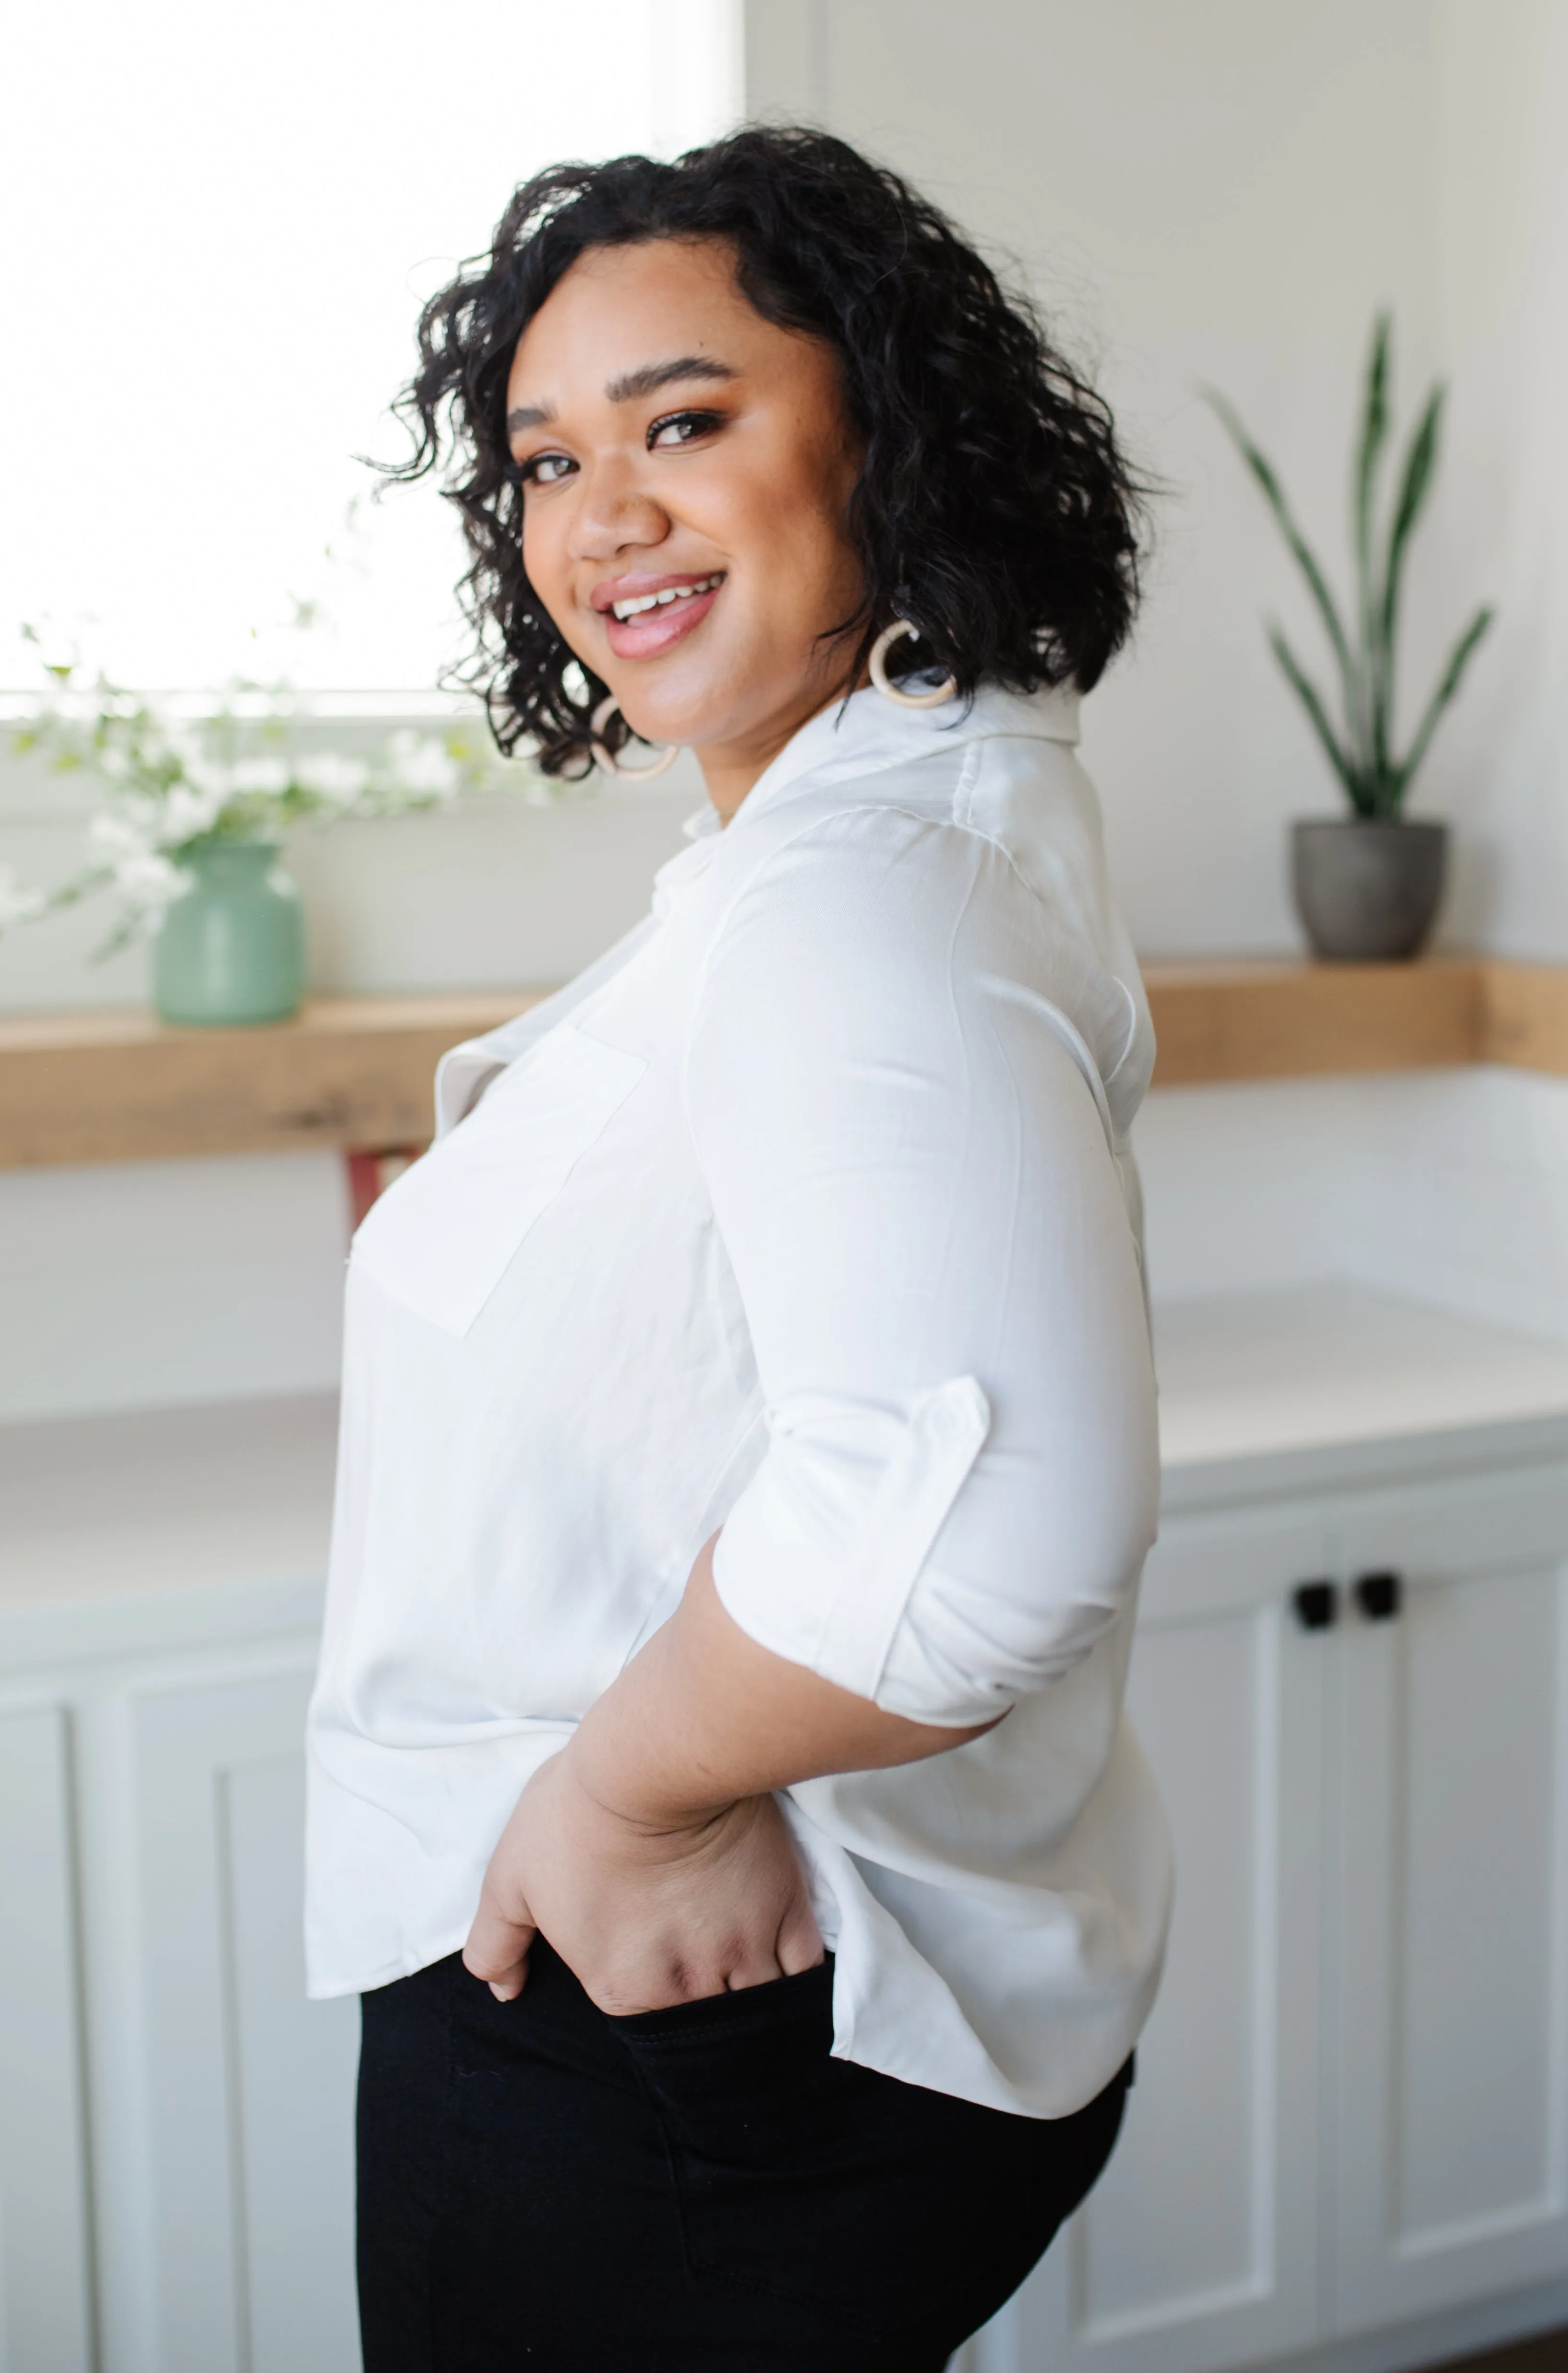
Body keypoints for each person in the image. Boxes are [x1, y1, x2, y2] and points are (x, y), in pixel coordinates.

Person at [306, 126, 1171, 2373]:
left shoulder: (853, 890)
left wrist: (624, 1793)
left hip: (658, 2007)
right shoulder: (867, 822)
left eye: (683, 423)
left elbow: (984, 1524)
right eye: (542, 457)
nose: (596, 520)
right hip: (703, 1994)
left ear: (884, 433)